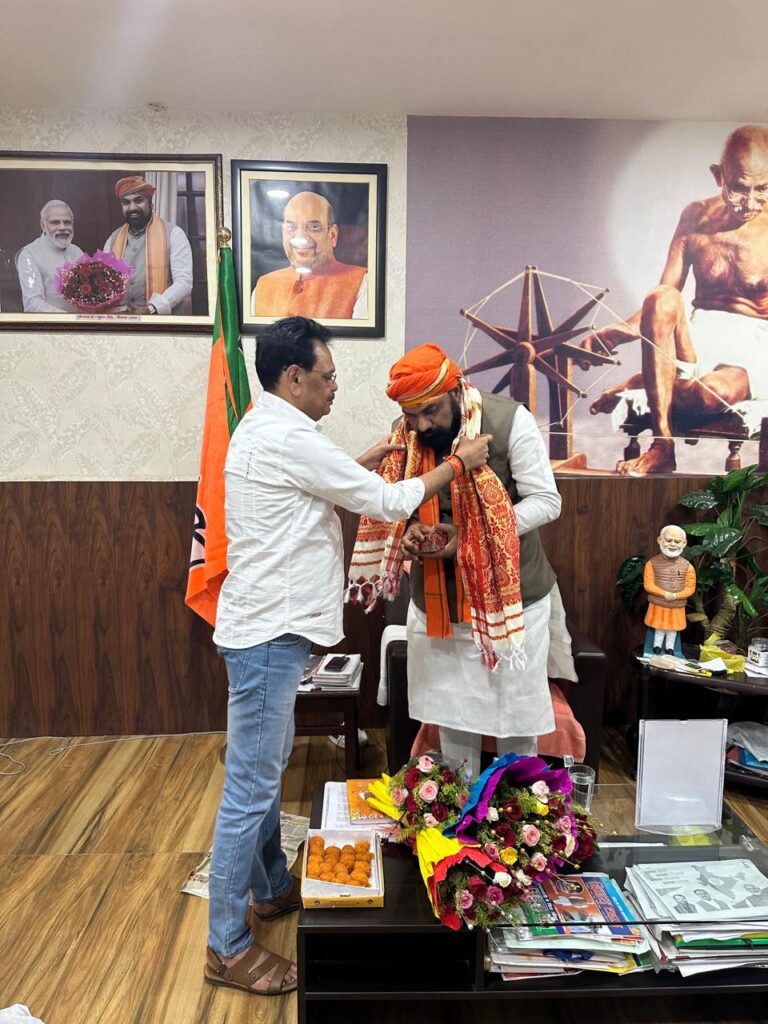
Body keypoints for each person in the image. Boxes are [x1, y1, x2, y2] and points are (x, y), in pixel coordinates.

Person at [205, 317, 491, 997]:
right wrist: (460, 463)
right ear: (293, 378)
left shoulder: (271, 428)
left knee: (265, 772)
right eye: (327, 376)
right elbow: (390, 502)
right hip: (268, 636)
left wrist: (361, 461)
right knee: (250, 789)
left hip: (267, 631)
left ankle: (270, 888)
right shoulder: (288, 435)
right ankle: (226, 947)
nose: (335, 386)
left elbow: (315, 486)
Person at [349, 343, 561, 779]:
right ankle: (460, 803)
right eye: (412, 415)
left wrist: (472, 534)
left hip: (509, 601)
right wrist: (410, 531)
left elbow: (546, 501)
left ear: (455, 391)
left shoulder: (509, 419)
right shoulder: (405, 434)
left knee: (515, 716)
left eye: (431, 411)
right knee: (452, 713)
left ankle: (519, 807)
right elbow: (402, 502)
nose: (423, 425)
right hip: (439, 600)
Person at [584, 123, 768, 475]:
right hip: (698, 336)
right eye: (739, 188)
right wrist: (617, 332)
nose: (750, 202)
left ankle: (644, 379)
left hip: (752, 345)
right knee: (661, 296)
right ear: (718, 176)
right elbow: (665, 297)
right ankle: (662, 445)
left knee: (706, 396)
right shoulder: (695, 216)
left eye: (763, 189)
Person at [251, 190, 367, 319]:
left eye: (313, 227)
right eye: (291, 227)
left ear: (332, 235)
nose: (301, 237)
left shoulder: (362, 283)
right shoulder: (262, 287)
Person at [104, 175, 193, 314]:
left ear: (150, 203)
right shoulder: (113, 239)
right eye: (126, 203)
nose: (132, 208)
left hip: (162, 322)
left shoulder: (174, 234)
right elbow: (104, 281)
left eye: (138, 200)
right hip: (122, 320)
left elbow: (184, 282)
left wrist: (152, 308)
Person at [16, 200, 83, 312]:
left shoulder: (77, 251)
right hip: (50, 322)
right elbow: (33, 303)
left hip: (80, 321)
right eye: (55, 222)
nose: (62, 227)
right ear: (43, 225)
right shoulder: (29, 254)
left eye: (67, 222)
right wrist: (68, 318)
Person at [643, 524, 696, 655]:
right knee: (659, 626)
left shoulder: (688, 566)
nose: (673, 544)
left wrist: (677, 596)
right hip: (658, 604)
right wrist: (664, 593)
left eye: (677, 542)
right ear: (660, 540)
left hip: (677, 606)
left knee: (673, 628)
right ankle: (656, 646)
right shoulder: (651, 564)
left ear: (684, 543)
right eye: (668, 540)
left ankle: (670, 648)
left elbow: (690, 588)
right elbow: (648, 585)